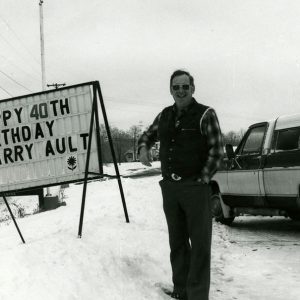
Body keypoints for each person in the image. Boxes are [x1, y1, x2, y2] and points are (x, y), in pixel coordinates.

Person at [138, 70, 223, 300]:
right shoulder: (164, 115)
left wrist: (203, 178)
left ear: (193, 88)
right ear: (171, 90)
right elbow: (147, 135)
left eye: (185, 86)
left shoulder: (206, 114)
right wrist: (143, 148)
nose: (181, 91)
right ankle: (181, 290)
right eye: (176, 87)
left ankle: (197, 295)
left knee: (200, 245)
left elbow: (217, 151)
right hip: (170, 189)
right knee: (177, 242)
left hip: (195, 188)